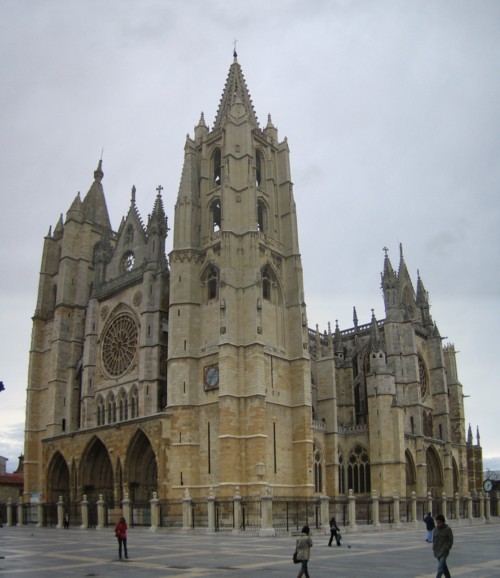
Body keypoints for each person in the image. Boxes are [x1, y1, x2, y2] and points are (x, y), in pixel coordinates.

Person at [432, 514, 453, 578]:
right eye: (437, 522)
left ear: (443, 522)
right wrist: (434, 547)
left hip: (444, 551)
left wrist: (447, 548)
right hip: (437, 551)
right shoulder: (435, 529)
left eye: (439, 522)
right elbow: (434, 539)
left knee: (440, 568)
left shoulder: (447, 529)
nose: (438, 524)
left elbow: (450, 540)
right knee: (443, 566)